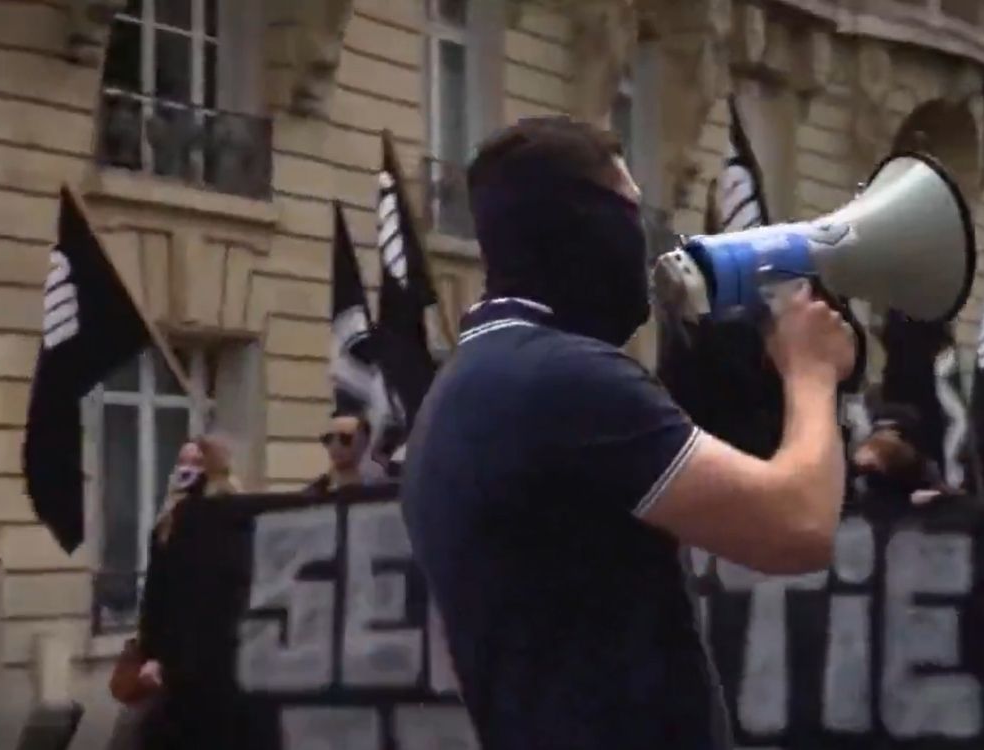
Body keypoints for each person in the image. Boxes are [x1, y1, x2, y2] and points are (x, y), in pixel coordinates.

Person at [401, 117, 856, 750]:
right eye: (631, 212)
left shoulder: (470, 381)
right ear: (584, 224)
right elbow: (798, 526)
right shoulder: (562, 379)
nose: (644, 244)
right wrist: (812, 372)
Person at [134, 435, 240, 749]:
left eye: (197, 462)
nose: (186, 469)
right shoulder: (167, 523)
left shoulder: (227, 514)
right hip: (175, 658)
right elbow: (156, 595)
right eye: (182, 461)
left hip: (216, 655)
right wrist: (151, 654)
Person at [306, 415, 369, 492]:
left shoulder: (376, 489)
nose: (335, 445)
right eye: (328, 438)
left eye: (345, 438)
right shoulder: (314, 491)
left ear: (364, 442)